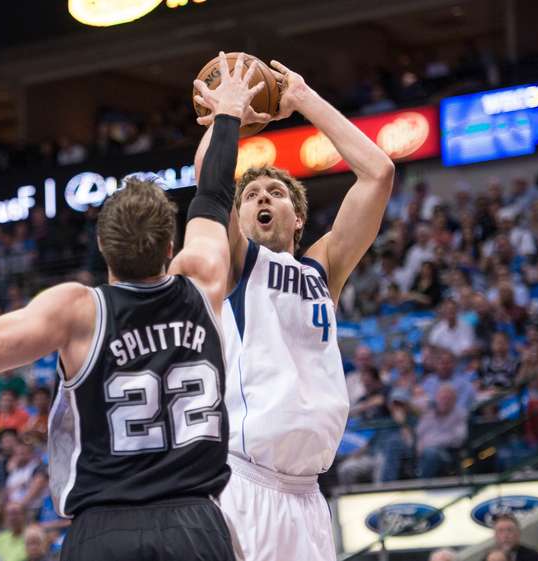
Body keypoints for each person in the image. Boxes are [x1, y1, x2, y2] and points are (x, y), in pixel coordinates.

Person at [0, 52, 264, 561]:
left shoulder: (77, 310)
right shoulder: (202, 279)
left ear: (103, 249)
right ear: (171, 249)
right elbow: (212, 194)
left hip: (105, 529)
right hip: (196, 521)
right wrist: (227, 115)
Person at [194, 58, 395, 561]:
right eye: (252, 195)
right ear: (239, 218)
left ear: (297, 218)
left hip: (308, 495)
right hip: (245, 480)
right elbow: (210, 184)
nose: (263, 197)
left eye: (276, 193)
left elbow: (378, 172)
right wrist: (228, 117)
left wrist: (304, 98)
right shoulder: (240, 263)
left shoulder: (323, 268)